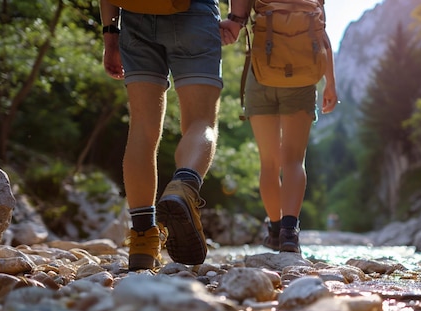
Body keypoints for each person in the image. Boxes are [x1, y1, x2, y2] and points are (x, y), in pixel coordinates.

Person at [100, 0, 223, 269]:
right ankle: (183, 185)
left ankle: (143, 240)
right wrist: (237, 18)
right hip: (195, 14)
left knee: (142, 127)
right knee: (201, 121)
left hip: (135, 16)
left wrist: (111, 35)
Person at [220, 0, 338, 253]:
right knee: (294, 160)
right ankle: (289, 232)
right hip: (303, 76)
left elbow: (238, 17)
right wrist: (330, 83)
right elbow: (322, 35)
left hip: (261, 73)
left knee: (269, 163)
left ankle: (274, 230)